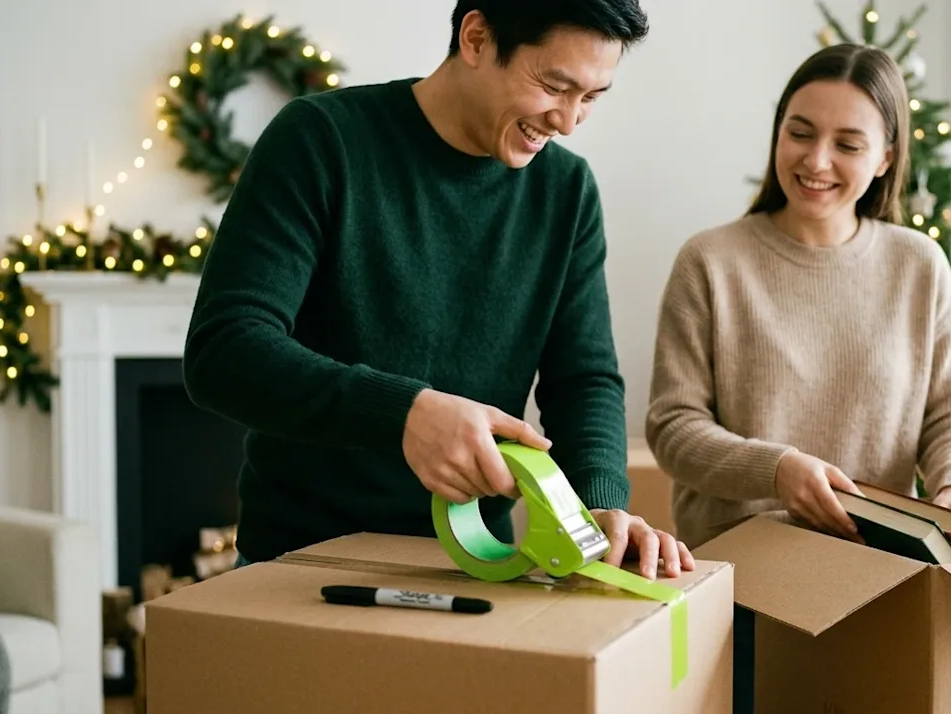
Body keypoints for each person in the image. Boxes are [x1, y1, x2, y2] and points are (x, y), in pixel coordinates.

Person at [183, 0, 694, 581]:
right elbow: (224, 351)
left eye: (592, 97)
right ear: (476, 37)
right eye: (555, 85)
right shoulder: (320, 140)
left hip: (480, 568)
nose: (569, 121)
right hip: (301, 562)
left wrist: (601, 501)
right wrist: (405, 414)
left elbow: (584, 380)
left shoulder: (567, 191)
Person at [644, 43, 951, 558]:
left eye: (848, 145)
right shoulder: (710, 261)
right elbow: (673, 427)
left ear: (886, 158)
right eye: (800, 133)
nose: (816, 160)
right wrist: (777, 470)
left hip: (882, 569)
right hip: (740, 571)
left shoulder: (919, 265)